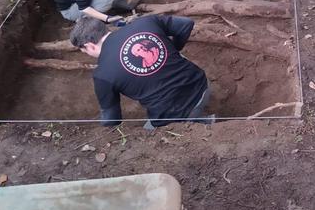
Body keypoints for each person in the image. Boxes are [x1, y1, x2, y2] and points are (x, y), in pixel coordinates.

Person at [70, 15, 211, 127]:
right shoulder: (146, 22)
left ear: (90, 46)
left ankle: (209, 124)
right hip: (202, 85)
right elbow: (186, 24)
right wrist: (174, 49)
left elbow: (112, 119)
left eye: (84, 51)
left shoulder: (102, 75)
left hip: (173, 115)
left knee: (150, 135)